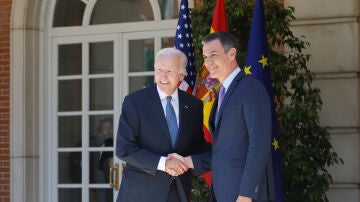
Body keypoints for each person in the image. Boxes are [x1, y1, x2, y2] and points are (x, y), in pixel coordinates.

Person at [170, 32, 275, 202]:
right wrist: (187, 161)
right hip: (222, 193)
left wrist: (246, 194)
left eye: (213, 55)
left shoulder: (250, 88)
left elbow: (259, 145)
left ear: (232, 54)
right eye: (205, 57)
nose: (208, 63)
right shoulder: (221, 94)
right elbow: (224, 151)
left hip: (243, 195)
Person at [115, 47, 210, 202]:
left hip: (178, 194)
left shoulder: (194, 105)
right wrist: (164, 163)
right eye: (159, 69)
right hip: (140, 195)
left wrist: (223, 152)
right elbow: (124, 149)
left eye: (170, 71)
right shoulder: (135, 102)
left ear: (182, 74)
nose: (163, 76)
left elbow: (197, 146)